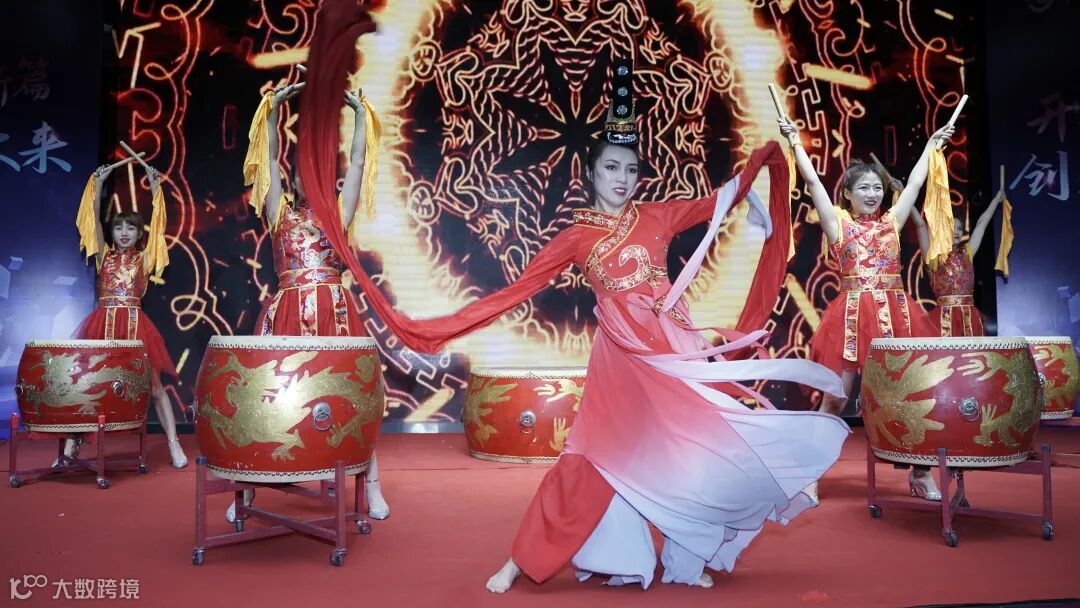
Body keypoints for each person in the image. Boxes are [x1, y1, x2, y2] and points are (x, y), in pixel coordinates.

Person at [229, 70, 389, 523]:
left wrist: (358, 114)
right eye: (302, 173)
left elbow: (357, 163)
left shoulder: (338, 214)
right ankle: (245, 491)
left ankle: (372, 486)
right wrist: (274, 110)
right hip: (287, 309)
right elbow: (268, 157)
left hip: (333, 310)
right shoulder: (279, 212)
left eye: (319, 172)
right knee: (270, 392)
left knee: (351, 393)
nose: (310, 178)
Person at [778, 116, 954, 501]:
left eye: (877, 187)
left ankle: (921, 474)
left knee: (913, 397)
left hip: (898, 317)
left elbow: (916, 183)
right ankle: (811, 476)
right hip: (852, 320)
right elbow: (812, 183)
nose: (872, 194)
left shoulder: (892, 223)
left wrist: (932, 145)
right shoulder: (838, 224)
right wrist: (796, 142)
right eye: (864, 188)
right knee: (834, 399)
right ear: (848, 194)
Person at [71, 157, 188, 469]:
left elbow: (159, 225)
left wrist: (156, 188)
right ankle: (73, 442)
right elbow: (93, 221)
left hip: (136, 328)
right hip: (103, 325)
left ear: (138, 234)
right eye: (119, 227)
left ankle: (174, 444)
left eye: (130, 228)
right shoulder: (104, 256)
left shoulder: (144, 260)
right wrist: (98, 185)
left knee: (155, 388)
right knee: (89, 384)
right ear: (113, 232)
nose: (124, 233)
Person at [912, 190, 1006, 336]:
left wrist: (995, 201)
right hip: (943, 319)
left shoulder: (967, 252)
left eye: (960, 229)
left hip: (968, 318)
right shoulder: (933, 258)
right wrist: (906, 198)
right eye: (951, 228)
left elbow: (982, 223)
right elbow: (920, 226)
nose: (956, 232)